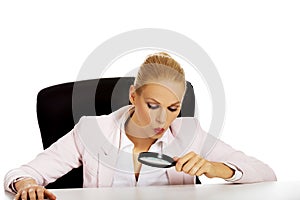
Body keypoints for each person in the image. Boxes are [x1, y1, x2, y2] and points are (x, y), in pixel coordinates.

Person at [4, 52, 277, 200]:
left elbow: (266, 174)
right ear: (134, 96)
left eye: (173, 109)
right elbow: (22, 173)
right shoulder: (91, 131)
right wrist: (28, 184)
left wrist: (214, 168)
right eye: (153, 105)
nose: (162, 120)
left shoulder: (189, 133)